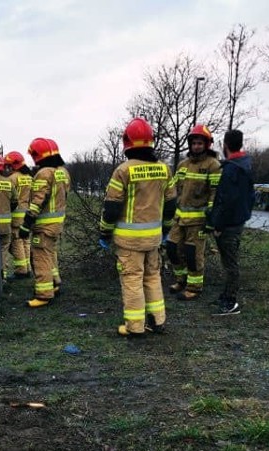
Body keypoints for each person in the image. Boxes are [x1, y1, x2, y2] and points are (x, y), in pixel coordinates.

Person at [100, 117, 175, 338]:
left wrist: (104, 232)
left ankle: (135, 327)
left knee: (132, 280)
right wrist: (165, 230)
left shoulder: (123, 171)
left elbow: (111, 208)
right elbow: (171, 205)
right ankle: (158, 321)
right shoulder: (164, 169)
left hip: (129, 241)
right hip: (153, 238)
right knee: (152, 277)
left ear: (127, 142)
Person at [165, 124, 222, 300]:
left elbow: (216, 192)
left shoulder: (213, 165)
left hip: (199, 221)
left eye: (200, 143)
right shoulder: (183, 165)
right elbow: (172, 188)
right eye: (194, 143)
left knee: (193, 254)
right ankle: (181, 280)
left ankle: (194, 287)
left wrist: (211, 218)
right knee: (172, 248)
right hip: (179, 219)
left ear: (207, 144)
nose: (196, 146)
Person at [206, 129, 255, 315]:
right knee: (230, 261)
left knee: (230, 263)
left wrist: (217, 225)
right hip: (238, 220)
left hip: (229, 225)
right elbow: (249, 197)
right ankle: (226, 295)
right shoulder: (246, 165)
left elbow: (225, 201)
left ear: (225, 144)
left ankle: (230, 301)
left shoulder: (231, 169)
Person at [19, 138, 70, 308]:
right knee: (50, 255)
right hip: (57, 224)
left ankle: (43, 295)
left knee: (40, 258)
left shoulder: (43, 173)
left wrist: (26, 224)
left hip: (44, 225)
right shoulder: (63, 172)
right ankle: (55, 283)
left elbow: (37, 202)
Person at [4, 151, 33, 279]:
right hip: (27, 213)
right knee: (26, 241)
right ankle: (28, 269)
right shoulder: (30, 177)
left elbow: (10, 198)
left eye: (8, 165)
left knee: (17, 242)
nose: (7, 168)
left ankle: (21, 271)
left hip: (16, 215)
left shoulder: (12, 178)